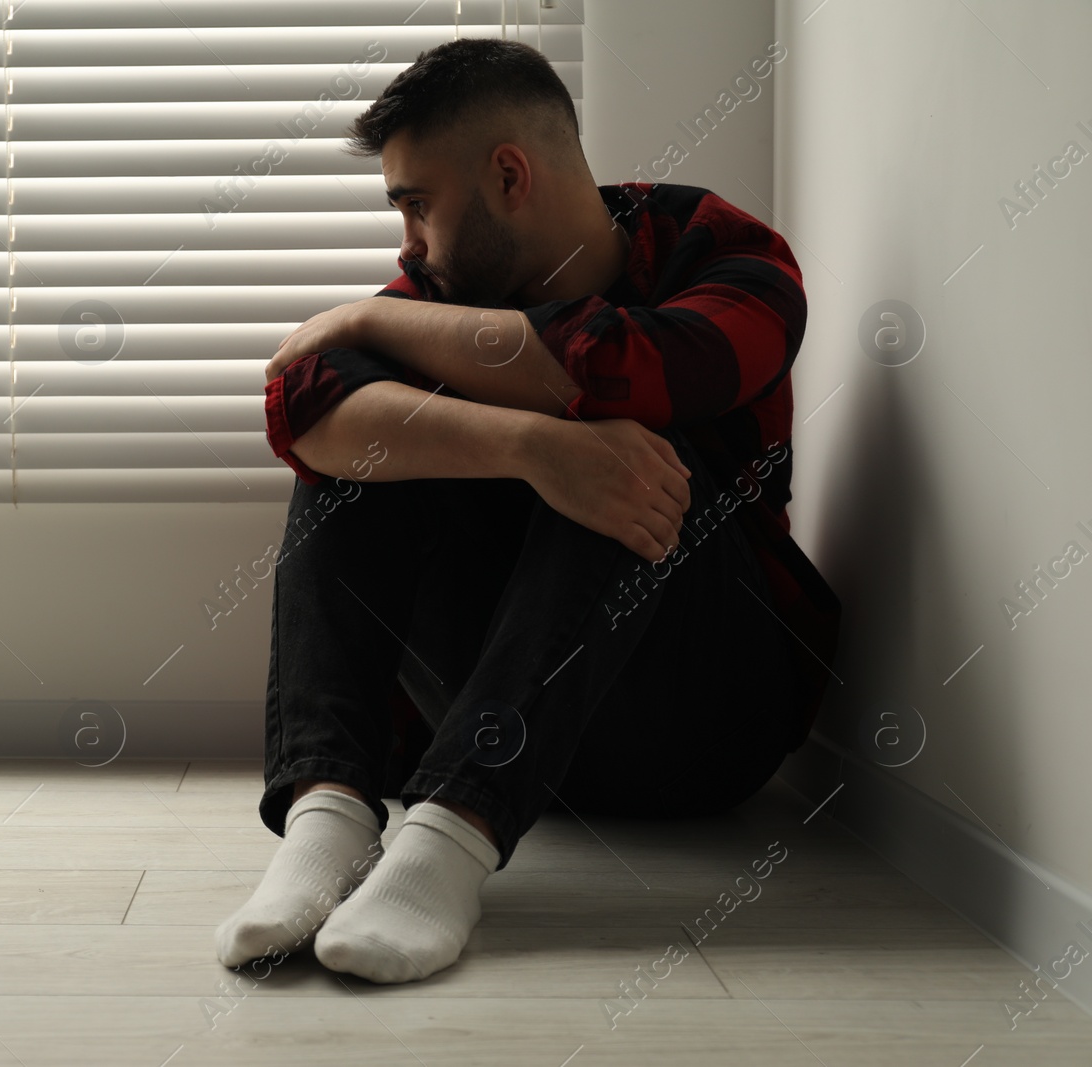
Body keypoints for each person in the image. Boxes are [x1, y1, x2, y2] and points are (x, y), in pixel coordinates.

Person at [215, 37, 841, 985]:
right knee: (369, 448)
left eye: (418, 206)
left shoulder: (730, 256)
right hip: (495, 717)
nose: (406, 248)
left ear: (510, 175)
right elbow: (303, 412)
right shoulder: (449, 292)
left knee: (638, 452)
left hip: (699, 725)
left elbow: (642, 368)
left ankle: (444, 851)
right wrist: (529, 446)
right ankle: (329, 822)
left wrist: (370, 317)